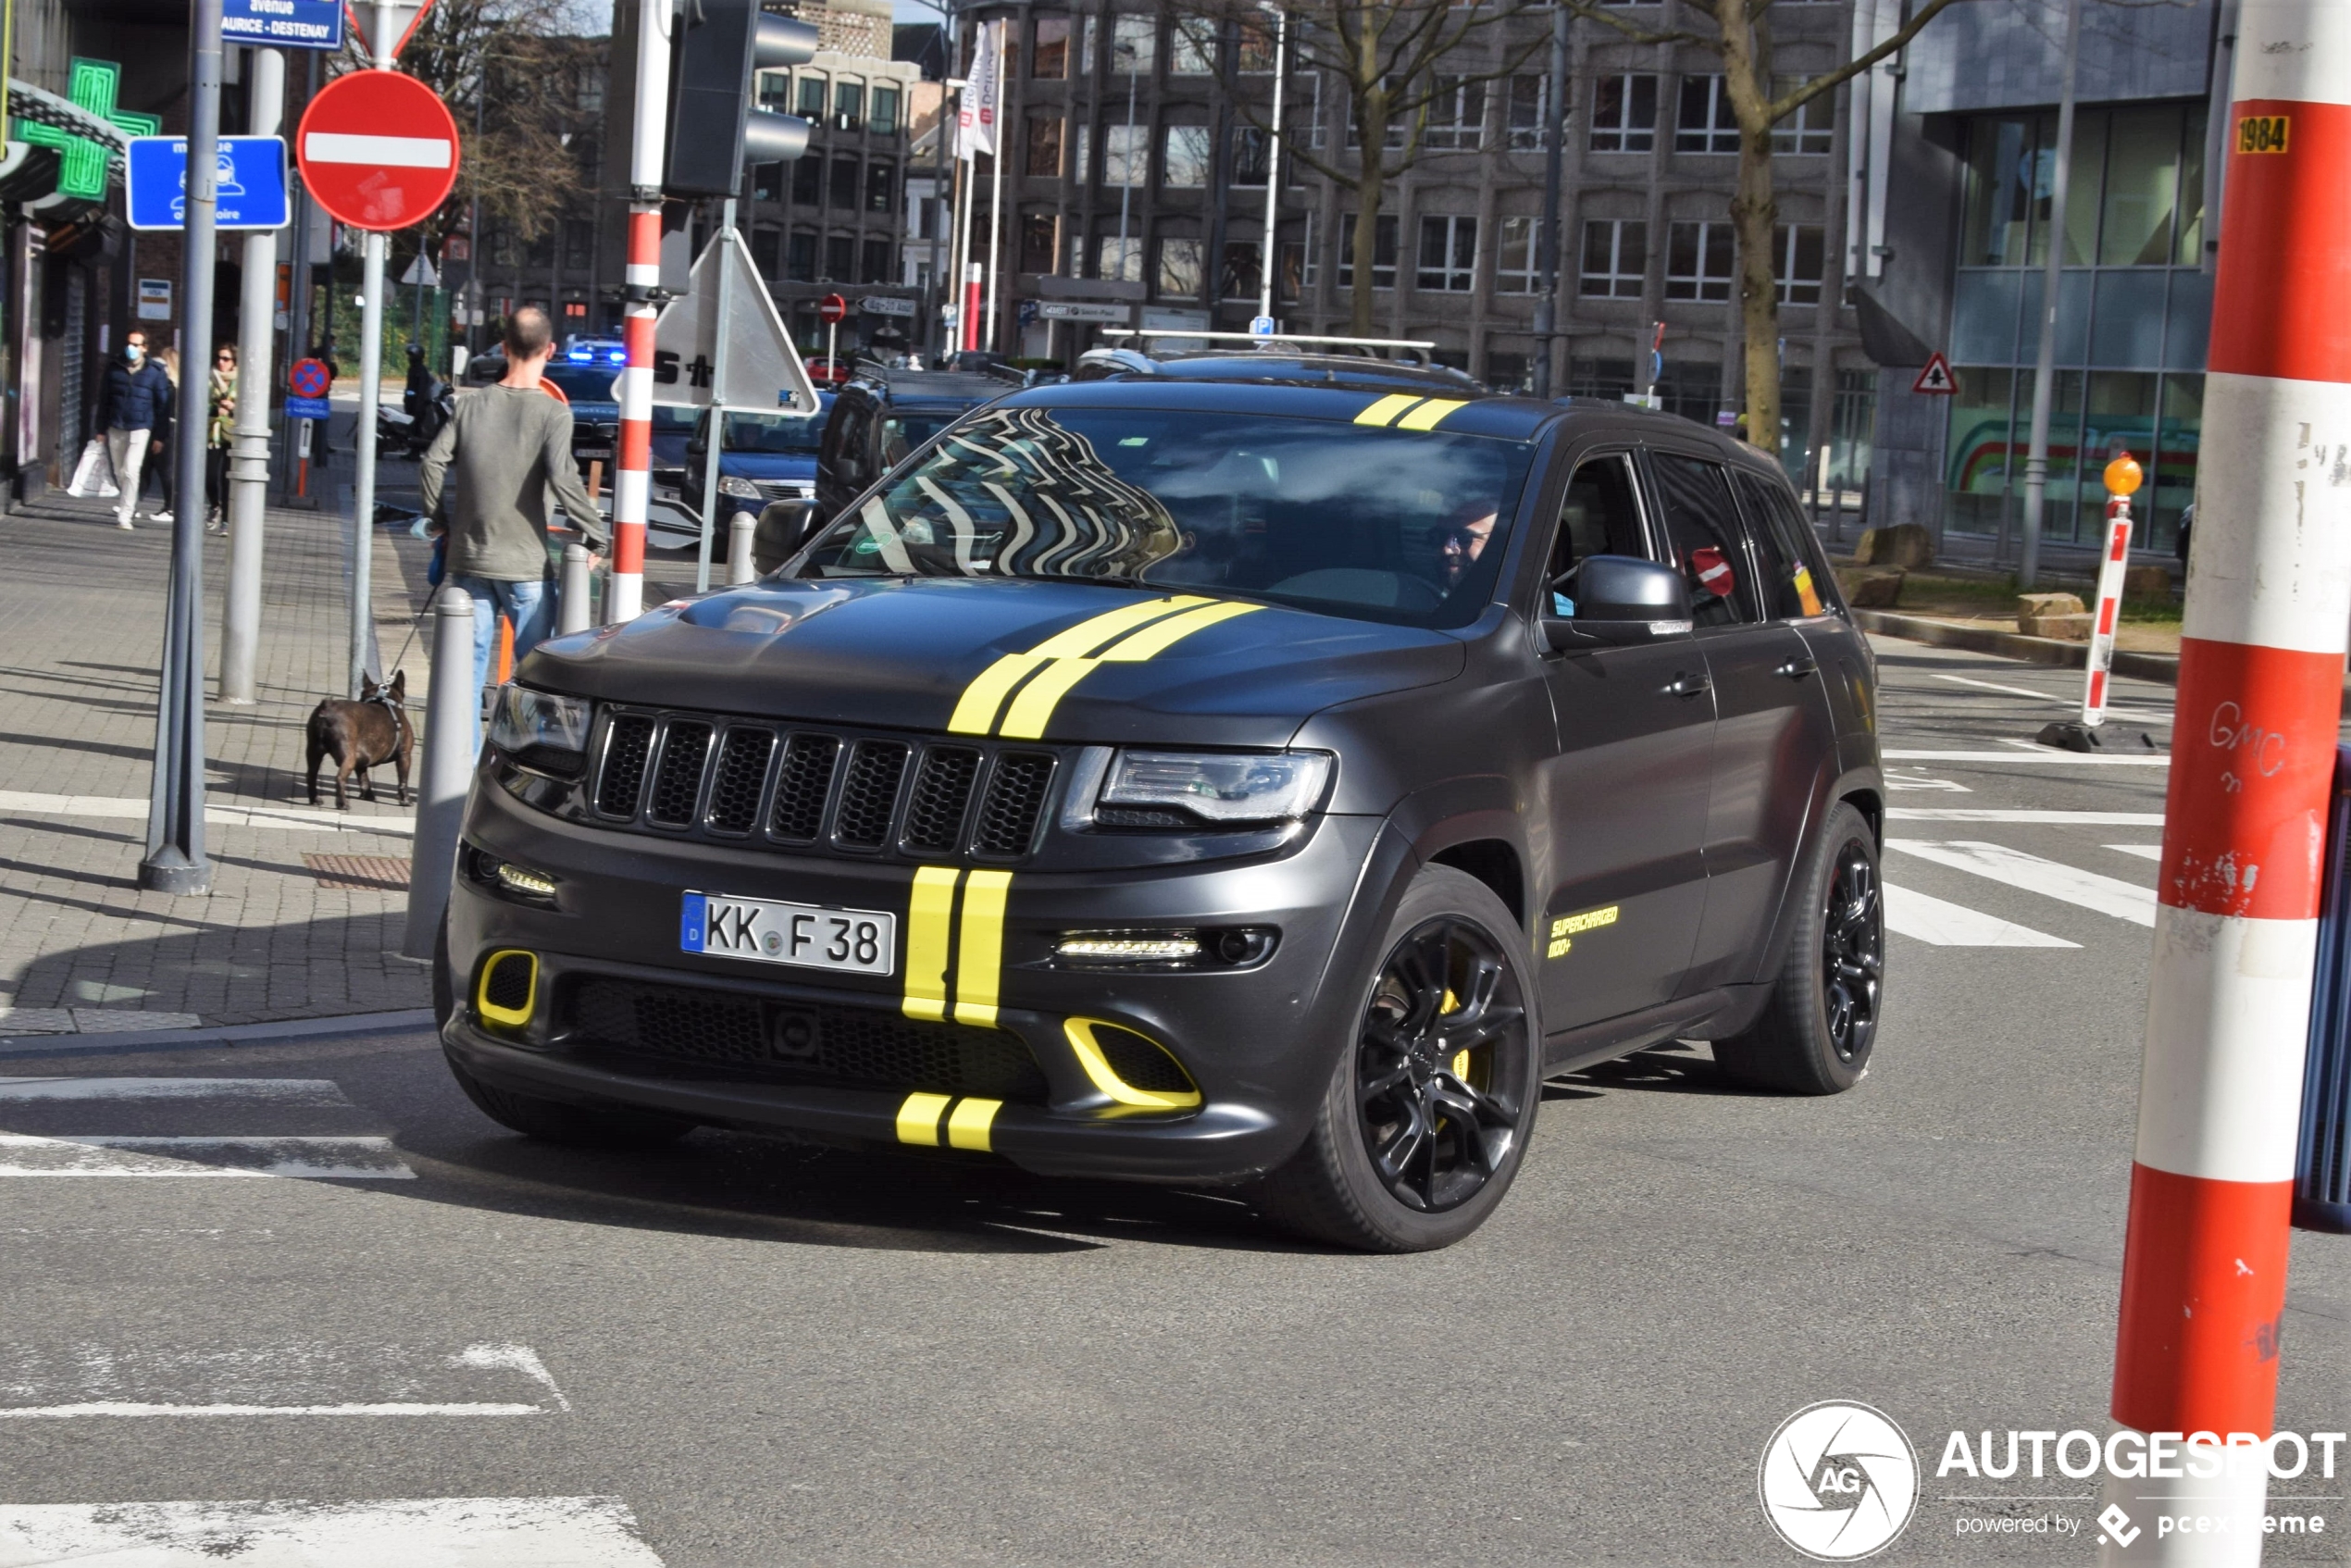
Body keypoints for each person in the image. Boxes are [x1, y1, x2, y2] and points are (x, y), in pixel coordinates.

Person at [418, 306, 608, 745]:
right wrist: (596, 533)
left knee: (462, 679)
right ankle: (521, 765)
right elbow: (562, 478)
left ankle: (460, 771)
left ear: (504, 348)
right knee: (536, 678)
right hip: (525, 567)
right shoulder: (554, 414)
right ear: (551, 350)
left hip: (468, 561)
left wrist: (439, 522)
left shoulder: (469, 405)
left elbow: (431, 463)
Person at [91, 330, 171, 529]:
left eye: (136, 345)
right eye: (129, 344)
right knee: (119, 470)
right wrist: (100, 429)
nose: (132, 348)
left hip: (141, 427)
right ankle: (128, 502)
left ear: (144, 348)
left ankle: (126, 515)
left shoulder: (155, 371)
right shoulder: (114, 368)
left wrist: (160, 436)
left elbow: (163, 405)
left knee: (131, 469)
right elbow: (104, 400)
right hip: (116, 426)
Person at [143, 347, 180, 525]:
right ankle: (131, 502)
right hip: (164, 427)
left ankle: (170, 507)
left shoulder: (169, 386)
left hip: (167, 429)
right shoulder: (173, 385)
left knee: (165, 470)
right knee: (146, 467)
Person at [205, 344, 236, 532]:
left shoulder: (241, 381)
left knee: (227, 479)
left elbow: (250, 410)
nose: (221, 362)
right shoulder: (209, 379)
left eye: (226, 358)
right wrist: (216, 409)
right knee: (209, 476)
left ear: (234, 362)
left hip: (232, 435)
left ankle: (226, 520)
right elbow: (200, 404)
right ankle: (214, 505)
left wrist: (233, 408)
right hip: (213, 433)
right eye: (218, 357)